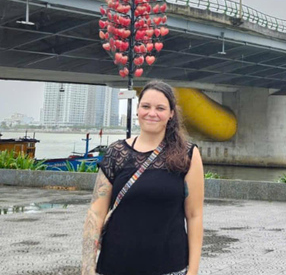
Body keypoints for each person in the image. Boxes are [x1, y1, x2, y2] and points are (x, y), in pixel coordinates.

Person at [81, 80, 204, 275]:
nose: (152, 113)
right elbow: (96, 212)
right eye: (145, 106)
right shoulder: (116, 152)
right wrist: (87, 268)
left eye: (160, 108)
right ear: (138, 110)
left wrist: (193, 270)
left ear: (171, 113)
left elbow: (194, 215)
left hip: (169, 267)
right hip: (115, 266)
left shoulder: (187, 155)